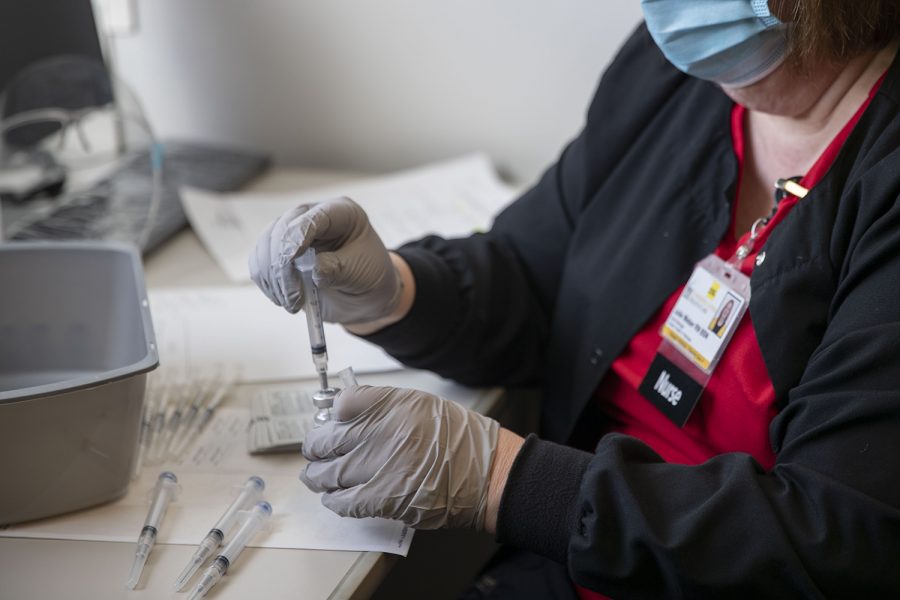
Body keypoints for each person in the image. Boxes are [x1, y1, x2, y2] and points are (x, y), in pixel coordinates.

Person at [249, 0, 900, 597]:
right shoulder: (675, 77)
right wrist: (393, 292)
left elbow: (837, 537)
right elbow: (536, 278)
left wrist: (503, 479)